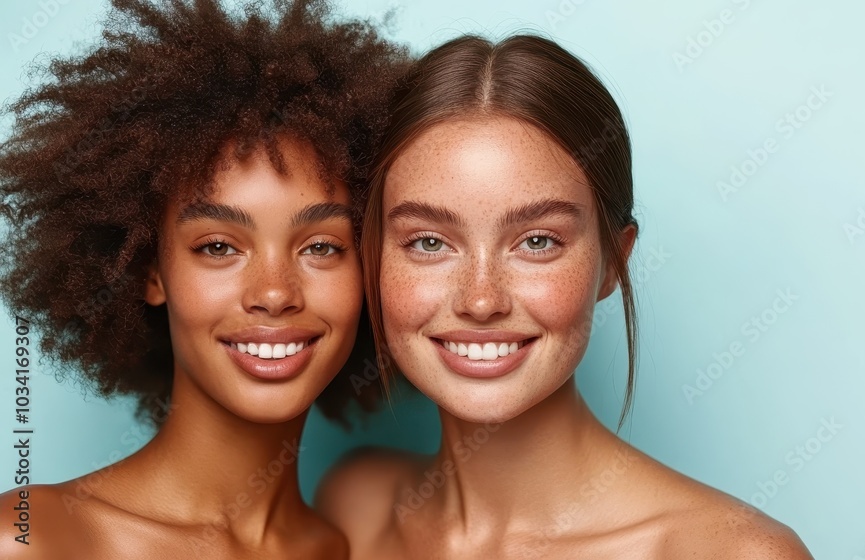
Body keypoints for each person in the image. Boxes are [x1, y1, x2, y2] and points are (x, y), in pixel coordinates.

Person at [316, 34, 813, 558]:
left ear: (611, 264)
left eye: (537, 242)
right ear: (372, 257)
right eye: (429, 242)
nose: (481, 300)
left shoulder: (733, 553)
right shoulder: (353, 507)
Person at [0, 0, 406, 557]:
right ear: (150, 270)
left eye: (321, 247)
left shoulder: (348, 548)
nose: (273, 293)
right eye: (218, 247)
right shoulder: (32, 539)